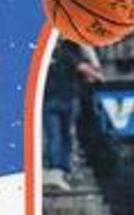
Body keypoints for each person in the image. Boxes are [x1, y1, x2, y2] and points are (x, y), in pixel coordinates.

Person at [43, 38, 103, 191]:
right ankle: (61, 169)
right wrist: (97, 73)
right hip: (66, 99)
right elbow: (85, 69)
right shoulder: (68, 51)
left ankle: (56, 169)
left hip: (50, 98)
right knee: (65, 136)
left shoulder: (49, 53)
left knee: (55, 135)